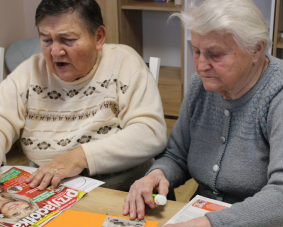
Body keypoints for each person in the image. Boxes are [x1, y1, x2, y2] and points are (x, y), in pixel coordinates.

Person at [111, 0, 283, 227]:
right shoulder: (203, 84)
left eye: (215, 54)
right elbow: (176, 155)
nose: (200, 65)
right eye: (195, 50)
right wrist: (157, 175)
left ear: (256, 50)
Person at [0, 0, 167, 191]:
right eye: (46, 40)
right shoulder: (29, 72)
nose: (55, 51)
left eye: (67, 40)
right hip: (48, 188)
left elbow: (151, 132)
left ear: (99, 37)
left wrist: (79, 158)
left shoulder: (124, 63)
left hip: (118, 187)